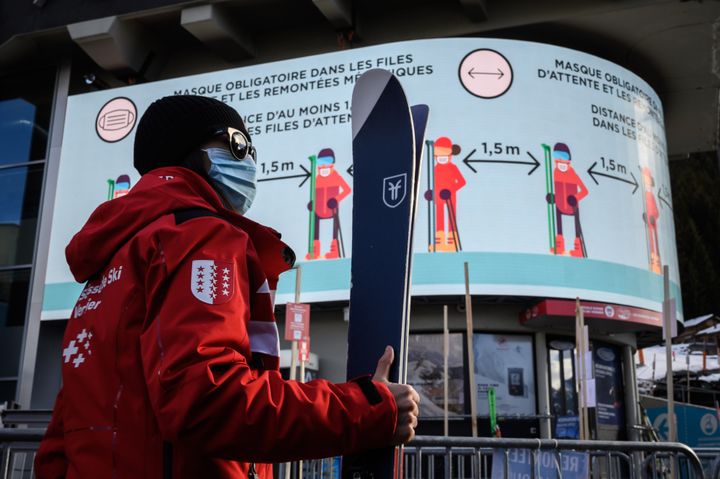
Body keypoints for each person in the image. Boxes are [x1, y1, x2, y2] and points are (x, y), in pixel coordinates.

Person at [35, 95, 419, 479]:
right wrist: (367, 409)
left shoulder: (111, 266)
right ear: (194, 153)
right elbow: (210, 402)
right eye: (239, 145)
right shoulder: (200, 237)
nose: (250, 162)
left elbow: (60, 439)